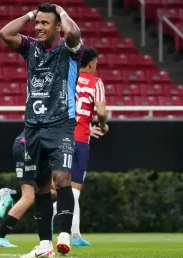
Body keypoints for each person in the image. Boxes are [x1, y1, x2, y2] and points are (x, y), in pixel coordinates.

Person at [0, 2, 83, 258]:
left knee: (61, 179)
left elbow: (74, 34)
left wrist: (62, 12)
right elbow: (5, 33)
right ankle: (44, 245)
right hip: (33, 127)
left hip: (60, 124)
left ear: (58, 25)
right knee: (40, 187)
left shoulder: (69, 51)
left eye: (45, 23)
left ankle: (65, 235)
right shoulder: (30, 48)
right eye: (37, 23)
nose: (38, 28)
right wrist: (30, 14)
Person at [0, 120, 104, 247]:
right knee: (31, 196)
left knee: (54, 193)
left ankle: (12, 196)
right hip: (29, 145)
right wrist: (86, 131)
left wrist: (86, 131)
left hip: (30, 143)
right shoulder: (60, 114)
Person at [53, 46, 108, 247]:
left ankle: (74, 234)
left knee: (57, 187)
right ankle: (69, 234)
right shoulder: (96, 82)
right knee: (74, 189)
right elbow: (101, 111)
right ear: (92, 63)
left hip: (59, 137)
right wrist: (102, 125)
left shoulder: (68, 78)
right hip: (80, 139)